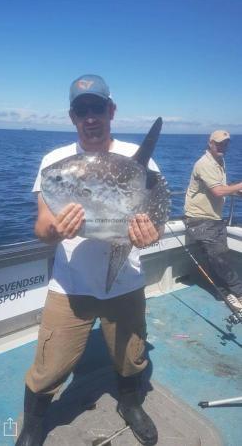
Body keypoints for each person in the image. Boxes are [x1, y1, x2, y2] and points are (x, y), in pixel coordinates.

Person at [16, 75, 162, 446]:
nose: (90, 116)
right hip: (70, 286)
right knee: (50, 367)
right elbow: (42, 226)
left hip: (126, 281)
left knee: (131, 358)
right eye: (82, 110)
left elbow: (154, 216)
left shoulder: (138, 157)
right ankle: (33, 425)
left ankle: (129, 405)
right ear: (73, 116)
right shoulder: (55, 161)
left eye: (97, 107)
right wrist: (57, 231)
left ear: (110, 111)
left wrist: (150, 235)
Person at [184, 130, 242, 315]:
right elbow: (218, 192)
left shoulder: (219, 161)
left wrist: (234, 191)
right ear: (210, 143)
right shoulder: (205, 163)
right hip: (200, 219)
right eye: (218, 143)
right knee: (220, 258)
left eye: (225, 143)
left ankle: (224, 293)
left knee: (215, 258)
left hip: (213, 218)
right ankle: (239, 293)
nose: (222, 146)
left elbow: (218, 188)